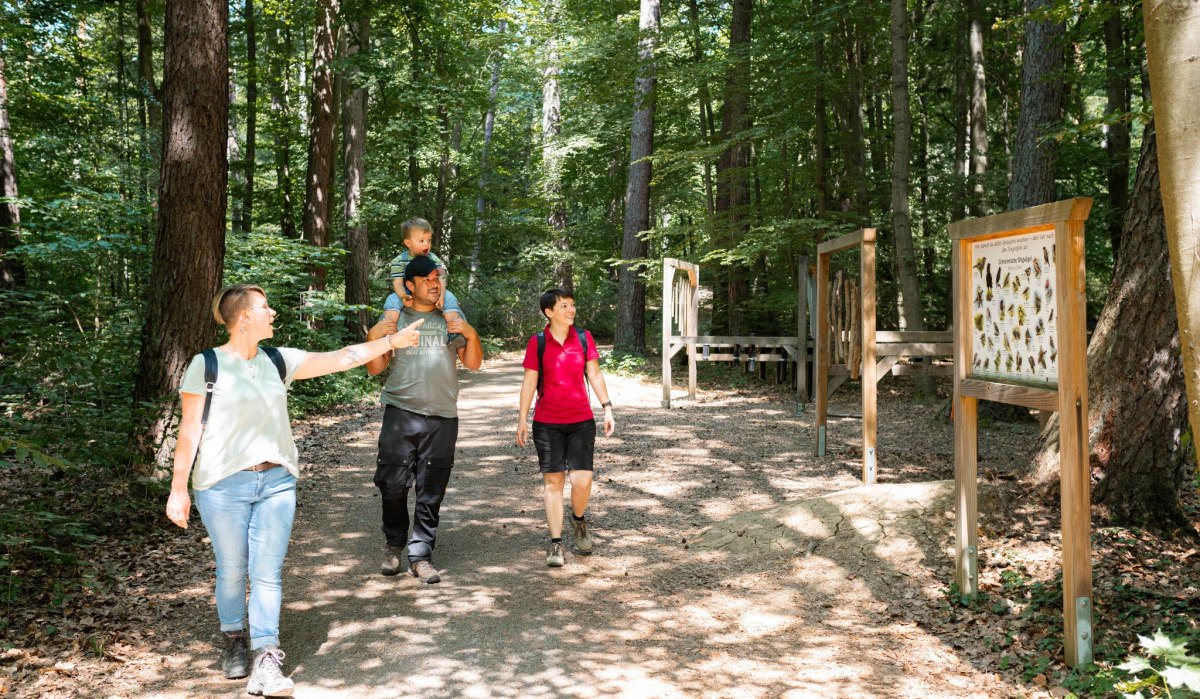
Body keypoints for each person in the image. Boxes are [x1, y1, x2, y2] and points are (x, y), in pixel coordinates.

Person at [165, 284, 423, 697]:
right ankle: (233, 636)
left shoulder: (278, 359)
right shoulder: (206, 364)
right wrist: (179, 488)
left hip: (276, 482)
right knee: (232, 569)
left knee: (266, 573)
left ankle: (266, 656)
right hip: (221, 485)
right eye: (264, 308)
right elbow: (190, 430)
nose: (272, 313)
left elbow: (342, 358)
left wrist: (391, 340)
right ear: (244, 316)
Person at [366, 254, 484, 583]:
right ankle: (393, 545)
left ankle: (420, 555)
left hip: (442, 416)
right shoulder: (396, 318)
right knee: (392, 484)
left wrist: (471, 333)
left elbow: (473, 363)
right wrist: (376, 337)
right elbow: (375, 367)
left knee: (431, 489)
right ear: (410, 285)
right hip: (400, 413)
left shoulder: (451, 318)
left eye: (437, 279)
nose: (434, 284)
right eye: (427, 280)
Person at [515, 288, 615, 568]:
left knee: (583, 481)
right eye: (564, 306)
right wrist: (522, 418)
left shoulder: (583, 338)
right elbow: (529, 382)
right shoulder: (537, 342)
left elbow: (594, 374)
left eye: (572, 305)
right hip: (547, 424)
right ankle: (556, 543)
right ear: (549, 312)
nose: (571, 310)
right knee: (554, 483)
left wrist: (607, 407)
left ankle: (579, 519)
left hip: (581, 421)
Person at [382, 217, 466, 351]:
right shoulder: (398, 261)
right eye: (421, 241)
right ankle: (388, 335)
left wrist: (442, 295)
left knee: (450, 299)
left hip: (433, 289)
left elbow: (442, 278)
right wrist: (403, 296)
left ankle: (455, 336)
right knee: (392, 301)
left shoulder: (433, 258)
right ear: (408, 242)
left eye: (429, 240)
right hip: (406, 290)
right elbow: (397, 283)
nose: (426, 244)